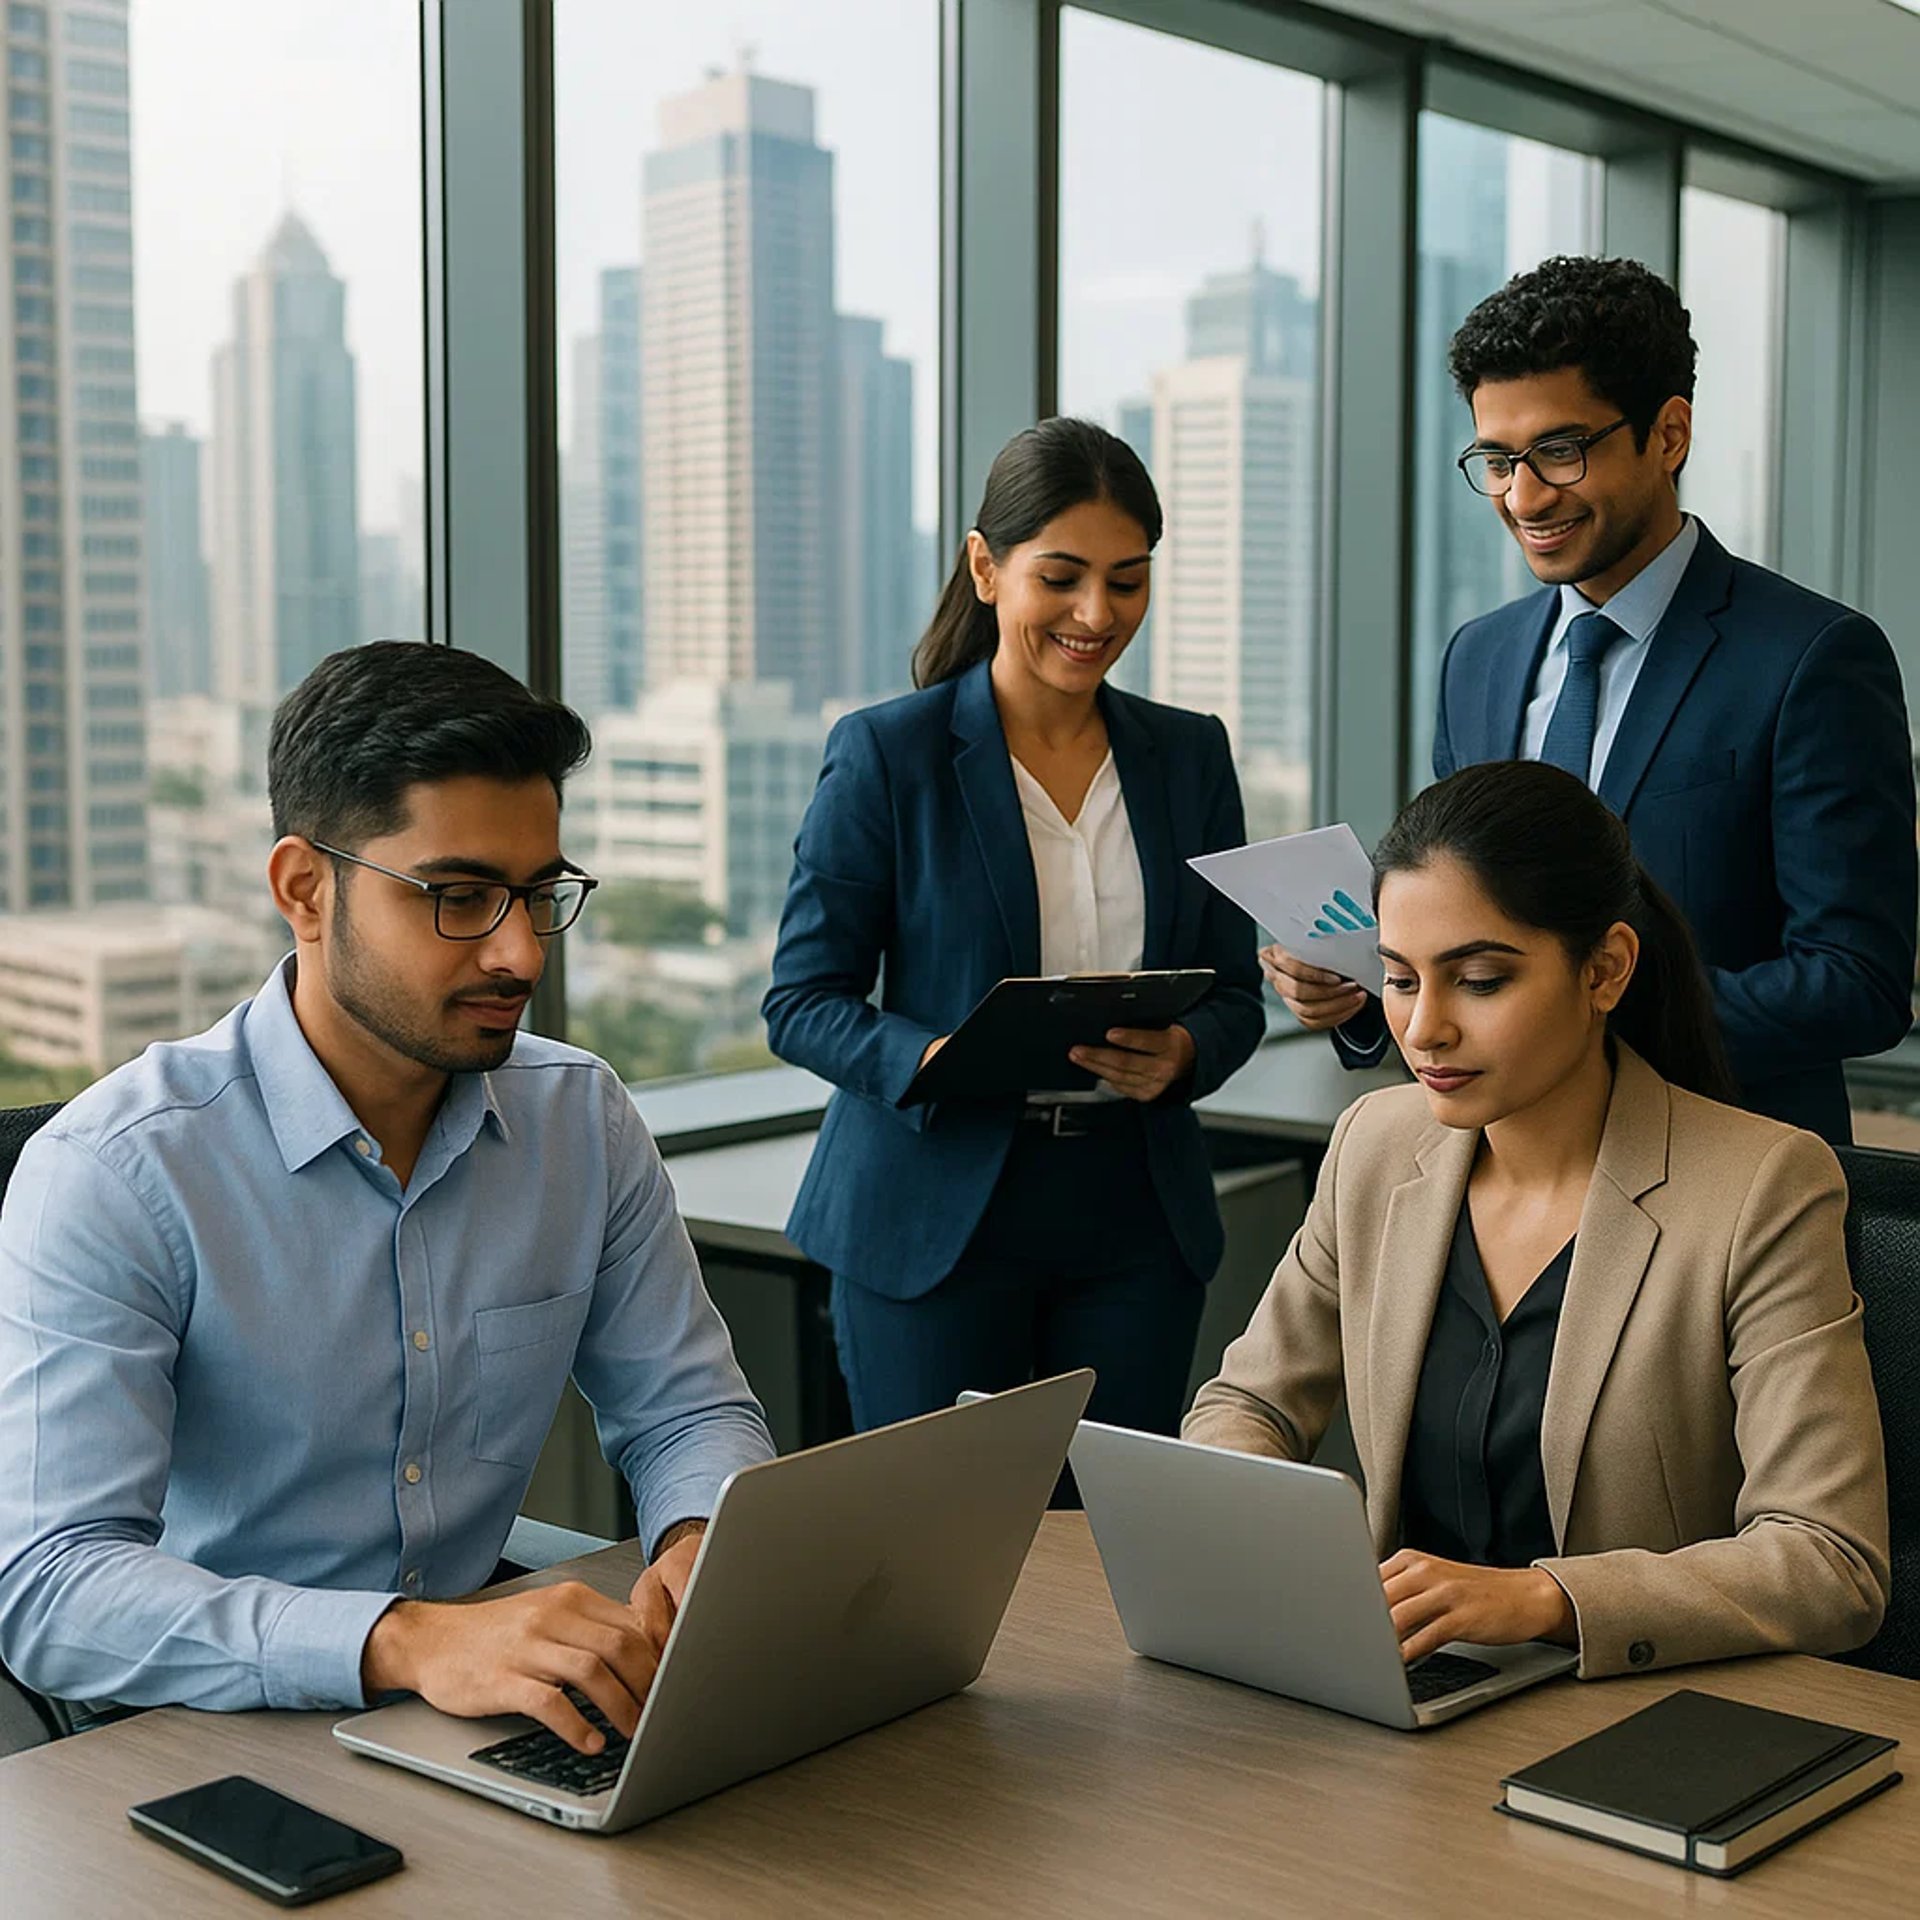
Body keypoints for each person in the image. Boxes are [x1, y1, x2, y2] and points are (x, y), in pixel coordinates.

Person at [0, 644, 774, 1756]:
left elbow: (688, 1412)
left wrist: (704, 1532)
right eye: (459, 897)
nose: (519, 952)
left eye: (539, 894)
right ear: (305, 891)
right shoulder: (120, 1170)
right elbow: (53, 1591)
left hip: (470, 1705)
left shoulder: (579, 1121)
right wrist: (403, 1642)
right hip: (189, 1727)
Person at [1188, 759, 1888, 1675]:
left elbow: (1829, 1560)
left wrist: (1546, 1599)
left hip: (1632, 1719)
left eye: (1478, 980)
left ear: (1605, 971)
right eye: (1399, 979)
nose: (1425, 1029)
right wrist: (1280, 1532)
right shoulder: (1373, 1144)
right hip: (1397, 1688)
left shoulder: (1761, 1187)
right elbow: (1246, 1403)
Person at [1264, 254, 1915, 1144]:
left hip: (1720, 1186)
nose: (1523, 496)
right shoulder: (1479, 659)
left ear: (1669, 434)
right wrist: (1363, 987)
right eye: (1496, 459)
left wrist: (1580, 1012)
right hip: (1497, 1178)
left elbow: (1857, 983)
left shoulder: (1812, 659)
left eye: (1560, 452)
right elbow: (1463, 919)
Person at [764, 418, 1264, 1444]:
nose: (1096, 613)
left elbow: (1234, 996)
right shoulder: (885, 756)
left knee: (1110, 1555)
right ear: (986, 568)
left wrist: (1183, 1050)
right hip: (935, 1212)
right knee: (941, 1550)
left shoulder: (1189, 757)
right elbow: (801, 1002)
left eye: (1127, 582)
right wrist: (936, 1056)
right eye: (1064, 577)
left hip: (1133, 1215)